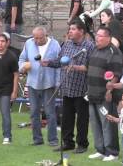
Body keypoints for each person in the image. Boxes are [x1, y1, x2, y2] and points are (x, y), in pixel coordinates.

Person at [41, 19, 94, 153]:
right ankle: (67, 142)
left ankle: (82, 145)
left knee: (82, 119)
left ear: (81, 31)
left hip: (82, 89)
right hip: (66, 87)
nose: (70, 31)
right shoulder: (66, 45)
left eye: (73, 29)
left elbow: (92, 68)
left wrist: (75, 67)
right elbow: (60, 61)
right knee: (66, 118)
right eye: (69, 29)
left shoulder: (89, 46)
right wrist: (49, 63)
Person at [87, 26, 123, 161]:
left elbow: (115, 74)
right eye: (97, 35)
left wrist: (109, 91)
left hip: (105, 96)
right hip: (92, 93)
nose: (97, 38)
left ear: (108, 38)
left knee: (107, 123)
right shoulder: (95, 49)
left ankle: (112, 152)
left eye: (101, 36)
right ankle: (100, 149)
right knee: (95, 123)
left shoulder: (113, 52)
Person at [18, 27, 61, 146]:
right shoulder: (28, 43)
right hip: (32, 83)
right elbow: (21, 59)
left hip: (49, 83)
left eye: (39, 38)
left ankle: (53, 140)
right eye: (35, 38)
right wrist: (22, 66)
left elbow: (59, 64)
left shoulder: (55, 45)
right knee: (34, 112)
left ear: (45, 35)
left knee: (50, 113)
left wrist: (58, 83)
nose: (36, 40)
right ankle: (37, 139)